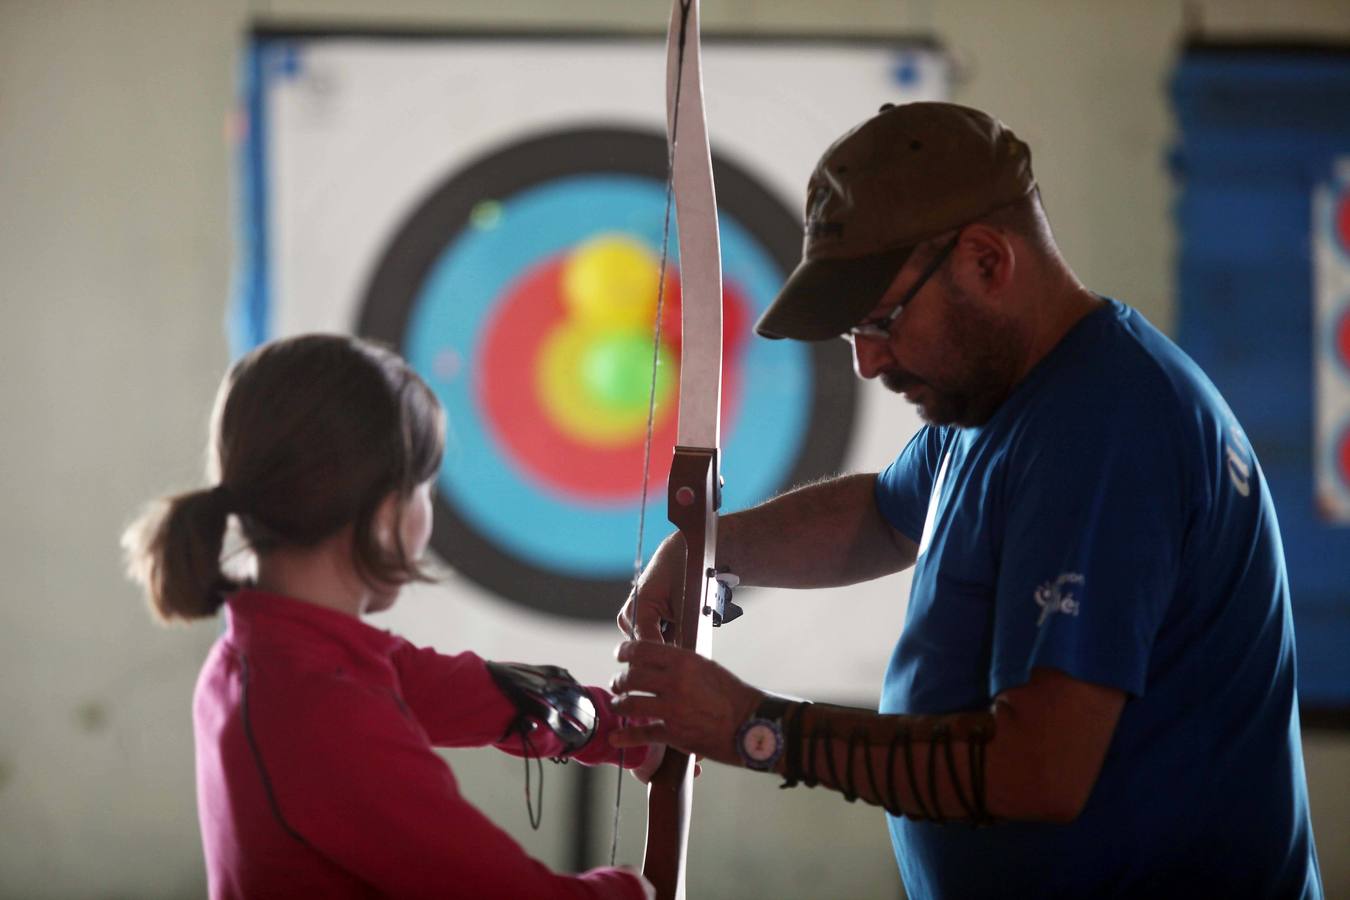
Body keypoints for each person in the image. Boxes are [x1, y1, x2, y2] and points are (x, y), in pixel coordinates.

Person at [610, 102, 1322, 898]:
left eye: (880, 320)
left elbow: (1038, 772)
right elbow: (886, 513)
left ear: (987, 261)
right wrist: (704, 549)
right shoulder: (999, 400)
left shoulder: (1106, 427)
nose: (868, 363)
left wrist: (754, 728)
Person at [122, 334, 656, 900]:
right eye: (423, 490)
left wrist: (616, 728)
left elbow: (459, 691)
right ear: (384, 518)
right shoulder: (318, 705)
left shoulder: (278, 656)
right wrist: (634, 893)